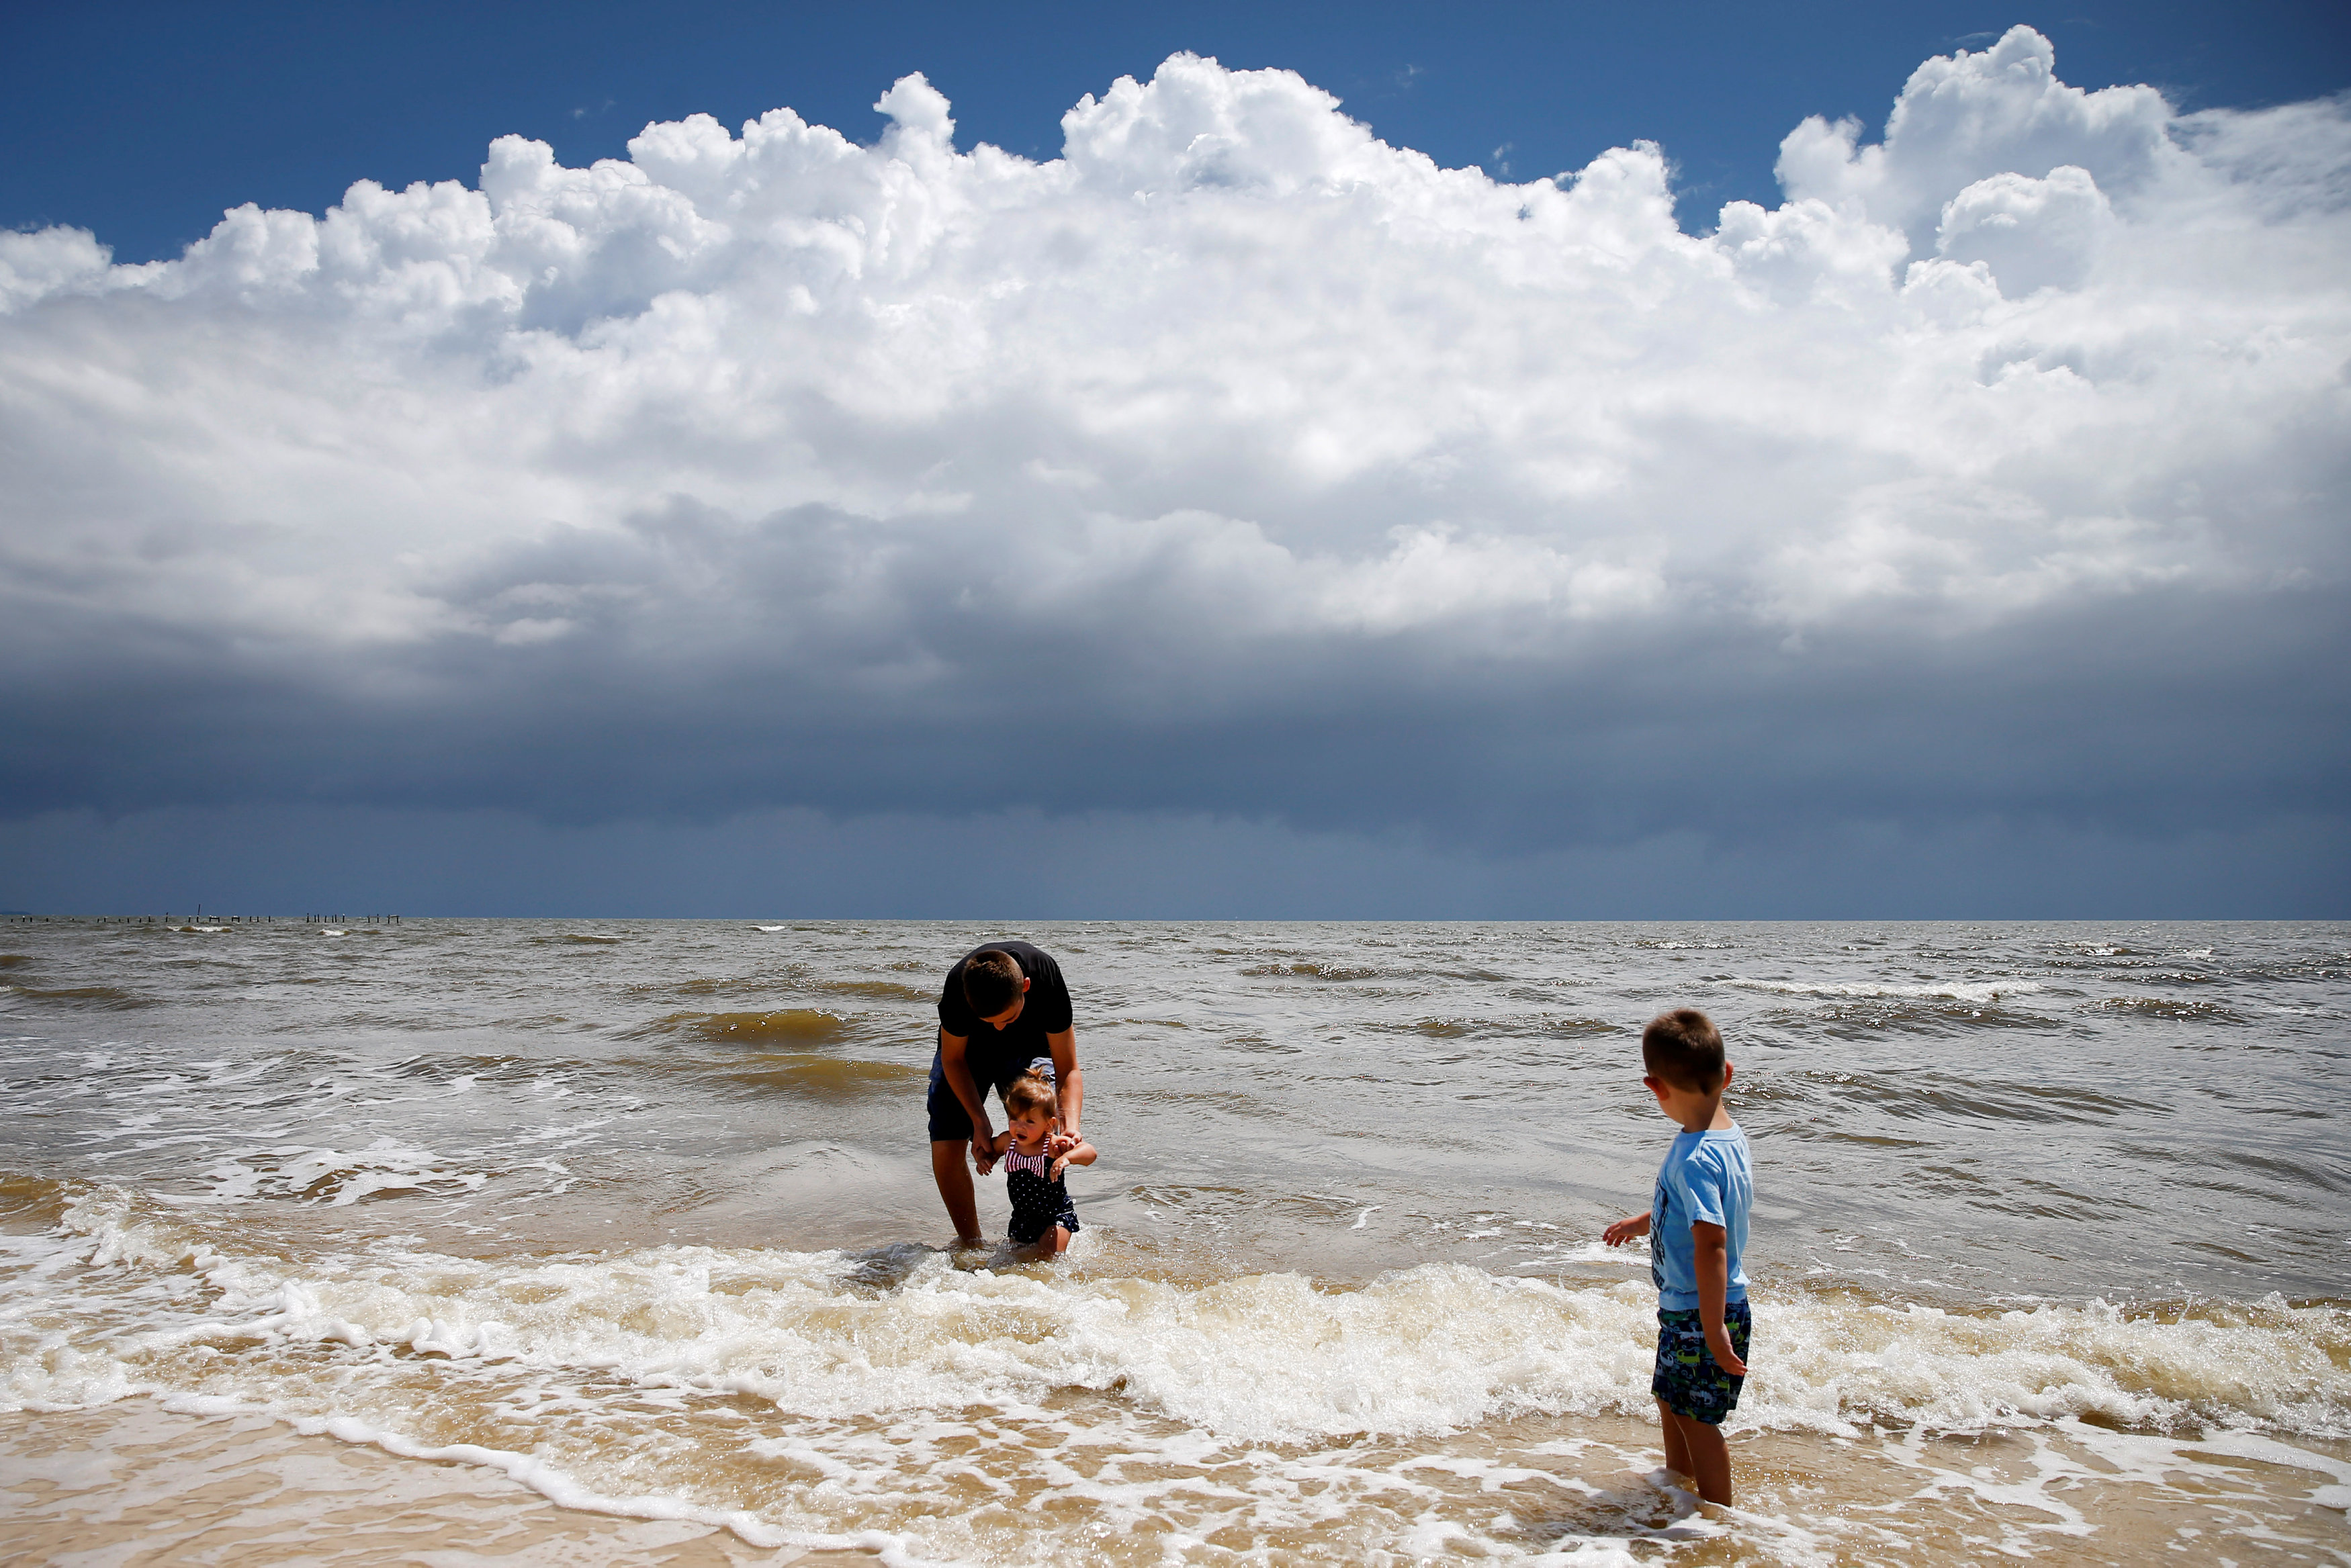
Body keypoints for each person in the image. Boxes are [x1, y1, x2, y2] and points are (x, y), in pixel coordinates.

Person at [1603, 1007, 1755, 1507]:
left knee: (1696, 1416)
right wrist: (1642, 1221)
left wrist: (1713, 1330)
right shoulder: (1726, 1140)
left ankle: (1716, 1512)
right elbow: (1696, 1214)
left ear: (1655, 1087)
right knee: (1671, 1398)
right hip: (1689, 1306)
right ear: (1727, 1073)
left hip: (1700, 1309)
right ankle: (1677, 1484)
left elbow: (1712, 1243)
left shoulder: (1693, 1157)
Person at [928, 940, 1083, 1246]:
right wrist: (979, 1122)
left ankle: (1041, 1235)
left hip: (1029, 1047)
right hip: (966, 1053)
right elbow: (953, 1059)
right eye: (990, 1022)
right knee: (946, 1144)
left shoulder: (1045, 976)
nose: (999, 1028)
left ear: (1026, 987)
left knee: (1037, 1130)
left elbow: (1068, 1068)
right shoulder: (959, 989)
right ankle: (971, 1244)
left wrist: (1070, 1128)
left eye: (1007, 1019)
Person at [989, 1070, 1095, 1254]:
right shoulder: (1008, 1141)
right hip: (1022, 1217)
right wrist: (986, 1160)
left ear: (1048, 1124)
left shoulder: (1052, 1145)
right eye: (1015, 1119)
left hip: (1055, 1216)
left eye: (1029, 1121)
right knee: (1013, 1261)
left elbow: (1090, 1153)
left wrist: (1065, 1158)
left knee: (1048, 1257)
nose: (1020, 1126)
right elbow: (991, 1149)